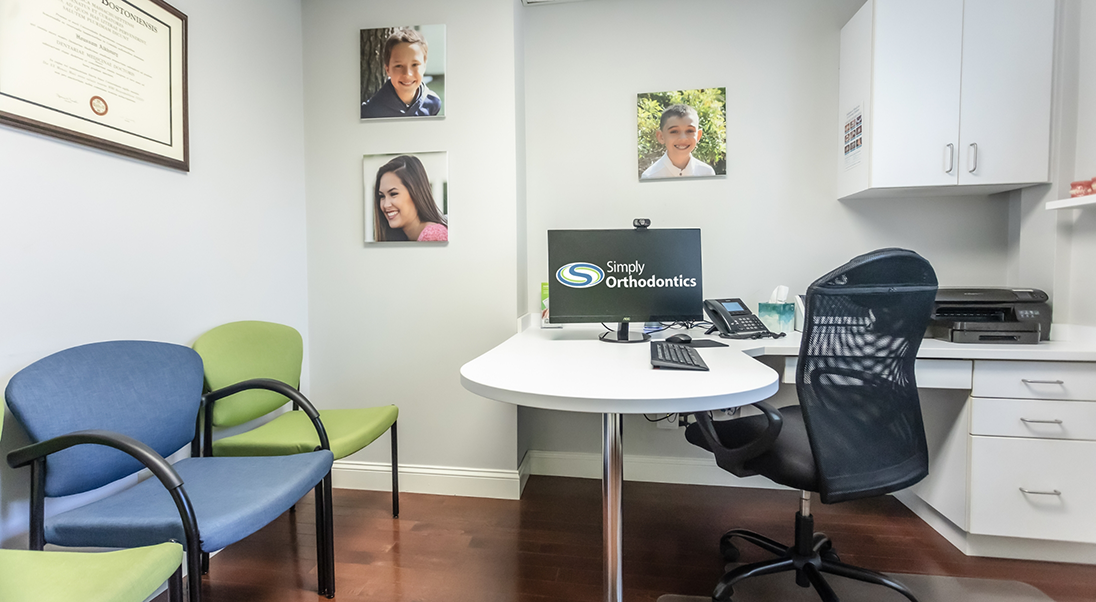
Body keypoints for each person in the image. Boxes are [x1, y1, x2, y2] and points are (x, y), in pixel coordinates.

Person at [361, 28, 442, 119]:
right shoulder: (371, 111)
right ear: (387, 69)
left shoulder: (433, 103)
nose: (407, 74)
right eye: (398, 66)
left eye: (415, 64)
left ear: (424, 66)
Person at [373, 155, 448, 242]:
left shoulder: (432, 235)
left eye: (393, 194)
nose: (385, 205)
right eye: (382, 196)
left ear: (415, 193)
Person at [640, 104, 716, 179]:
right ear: (661, 136)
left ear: (698, 135)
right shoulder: (650, 177)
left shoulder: (707, 174)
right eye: (674, 131)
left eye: (690, 131)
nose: (683, 138)